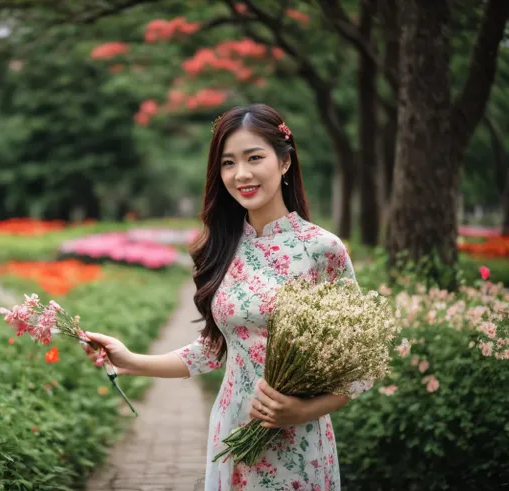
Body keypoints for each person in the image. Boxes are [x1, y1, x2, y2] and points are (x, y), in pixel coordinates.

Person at [82, 103, 370, 490]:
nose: (242, 174)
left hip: (298, 441)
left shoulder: (322, 249)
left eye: (254, 158)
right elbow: (213, 350)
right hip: (232, 431)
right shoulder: (224, 248)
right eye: (229, 163)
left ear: (285, 162)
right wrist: (130, 360)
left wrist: (301, 410)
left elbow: (357, 369)